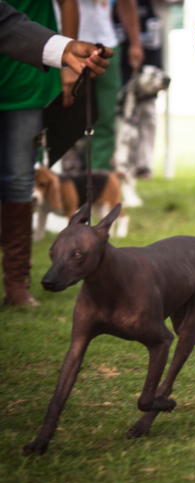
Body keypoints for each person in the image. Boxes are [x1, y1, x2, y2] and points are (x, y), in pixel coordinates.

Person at [1, 1, 113, 307]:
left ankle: (16, 282)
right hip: (36, 57)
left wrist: (65, 61)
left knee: (18, 178)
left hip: (27, 77)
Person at [73, 0, 144, 171]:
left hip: (106, 44)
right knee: (55, 117)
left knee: (106, 118)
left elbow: (126, 3)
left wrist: (135, 43)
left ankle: (100, 181)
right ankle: (42, 183)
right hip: (64, 45)